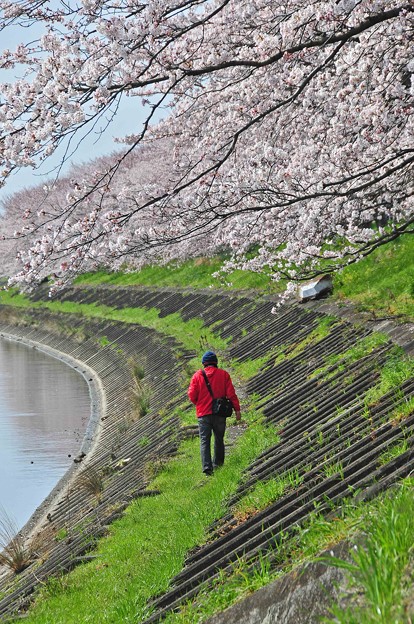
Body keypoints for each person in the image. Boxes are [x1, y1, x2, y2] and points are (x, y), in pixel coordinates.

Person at [188, 351, 241, 476]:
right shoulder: (224, 375)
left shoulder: (197, 376)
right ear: (216, 362)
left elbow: (191, 395)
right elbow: (231, 394)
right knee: (219, 438)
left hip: (203, 414)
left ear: (204, 363)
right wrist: (237, 410)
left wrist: (199, 404)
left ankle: (207, 467)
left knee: (204, 441)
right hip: (219, 413)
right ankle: (218, 464)